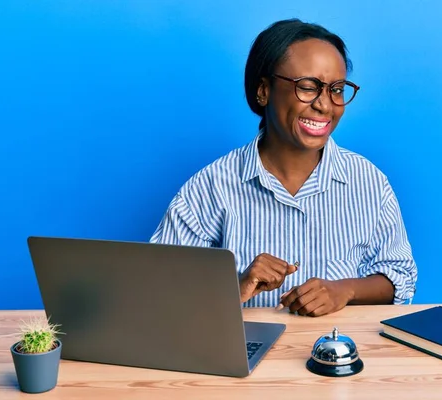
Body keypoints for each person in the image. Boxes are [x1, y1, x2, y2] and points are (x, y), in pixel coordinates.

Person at [150, 18, 417, 317]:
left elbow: (398, 274)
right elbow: (160, 290)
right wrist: (236, 286)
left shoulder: (369, 182)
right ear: (263, 91)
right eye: (308, 87)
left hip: (341, 354)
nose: (325, 105)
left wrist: (345, 290)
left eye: (337, 90)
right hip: (244, 356)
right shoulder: (210, 187)